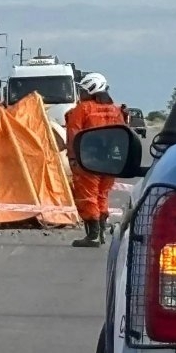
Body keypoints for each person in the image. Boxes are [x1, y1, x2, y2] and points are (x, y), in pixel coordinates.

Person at [66, 72, 125, 248]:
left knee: (88, 196)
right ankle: (101, 232)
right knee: (102, 195)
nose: (82, 93)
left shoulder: (82, 109)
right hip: (110, 162)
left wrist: (73, 158)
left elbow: (73, 134)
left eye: (84, 90)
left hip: (88, 160)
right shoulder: (115, 110)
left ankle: (93, 235)